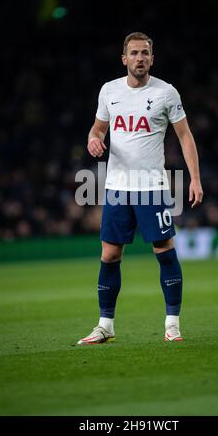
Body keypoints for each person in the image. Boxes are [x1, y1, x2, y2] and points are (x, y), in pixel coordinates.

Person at [77, 32, 203, 345]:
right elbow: (98, 128)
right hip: (117, 187)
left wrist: (195, 178)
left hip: (153, 187)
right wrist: (93, 138)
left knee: (164, 251)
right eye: (134, 53)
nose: (140, 58)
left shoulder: (166, 93)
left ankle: (172, 323)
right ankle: (105, 325)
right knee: (109, 255)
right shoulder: (110, 91)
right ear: (124, 59)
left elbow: (185, 136)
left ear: (152, 58)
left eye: (145, 53)